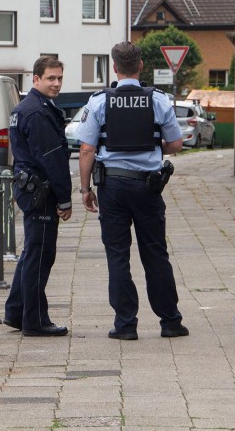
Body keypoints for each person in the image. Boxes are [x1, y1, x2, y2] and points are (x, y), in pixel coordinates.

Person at [76, 41, 186, 341]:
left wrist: (85, 189)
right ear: (140, 66)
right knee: (155, 253)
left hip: (112, 187)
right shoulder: (159, 100)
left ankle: (126, 324)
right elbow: (175, 144)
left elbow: (86, 150)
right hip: (148, 187)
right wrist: (150, 145)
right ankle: (170, 322)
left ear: (114, 67)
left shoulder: (99, 102)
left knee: (118, 255)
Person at [3, 56, 72, 337]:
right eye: (50, 78)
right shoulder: (38, 112)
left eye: (59, 78)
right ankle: (35, 321)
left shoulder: (27, 108)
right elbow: (52, 160)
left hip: (30, 188)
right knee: (40, 256)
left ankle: (17, 312)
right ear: (36, 79)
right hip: (41, 191)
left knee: (32, 253)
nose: (56, 83)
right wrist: (65, 198)